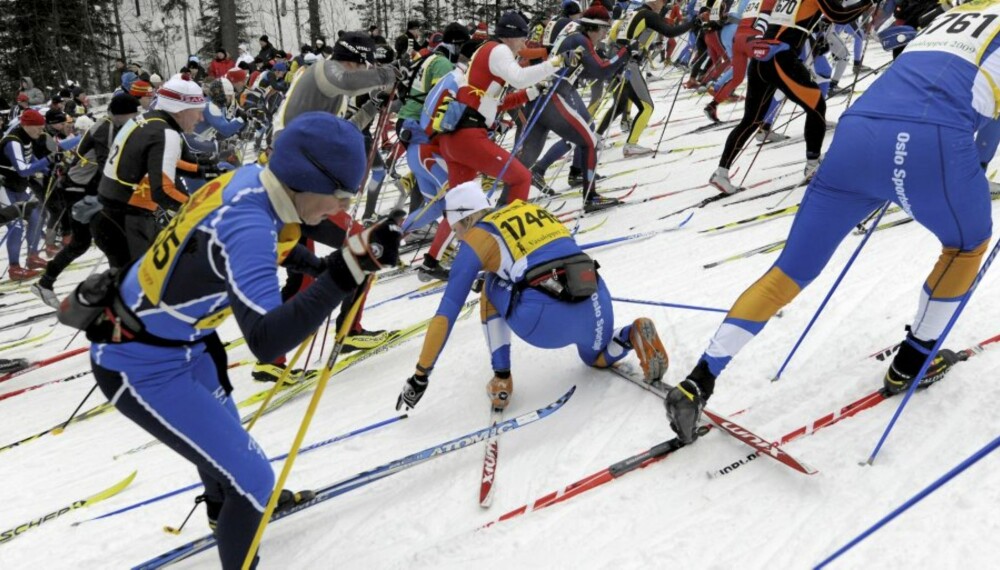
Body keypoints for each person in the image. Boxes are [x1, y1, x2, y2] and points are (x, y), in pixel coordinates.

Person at [70, 112, 401, 570]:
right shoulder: (246, 226)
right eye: (341, 195)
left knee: (225, 445)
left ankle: (223, 511)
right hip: (139, 364)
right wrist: (345, 273)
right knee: (253, 477)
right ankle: (243, 511)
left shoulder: (252, 183)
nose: (341, 208)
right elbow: (266, 341)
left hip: (182, 344)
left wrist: (322, 269)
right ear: (306, 178)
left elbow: (278, 247)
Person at [665, 0, 998, 444]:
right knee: (966, 245)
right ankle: (911, 364)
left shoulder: (964, 10)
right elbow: (988, 132)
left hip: (860, 130)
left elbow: (896, 41)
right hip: (934, 138)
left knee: (789, 270)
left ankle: (698, 380)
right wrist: (964, 173)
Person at [395, 181, 669, 412]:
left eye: (456, 230)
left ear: (466, 218)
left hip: (544, 320)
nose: (457, 240)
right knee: (595, 358)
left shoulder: (478, 237)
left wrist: (421, 375)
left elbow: (447, 311)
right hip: (595, 298)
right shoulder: (528, 208)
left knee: (490, 284)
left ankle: (502, 379)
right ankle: (630, 334)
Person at [708, 0, 873, 194]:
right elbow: (839, 15)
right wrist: (868, 3)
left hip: (761, 55)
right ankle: (812, 166)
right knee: (816, 106)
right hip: (780, 57)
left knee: (751, 120)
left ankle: (721, 172)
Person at [437, 12, 563, 211]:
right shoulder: (499, 49)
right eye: (523, 39)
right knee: (522, 178)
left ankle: (453, 241)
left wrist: (532, 92)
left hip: (455, 138)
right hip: (468, 135)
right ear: (511, 36)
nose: (523, 45)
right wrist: (556, 63)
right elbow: (519, 78)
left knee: (462, 209)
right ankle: (507, 232)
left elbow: (495, 103)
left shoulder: (488, 50)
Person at [30, 94, 142, 307]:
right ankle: (122, 294)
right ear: (121, 113)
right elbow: (106, 163)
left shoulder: (115, 125)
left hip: (86, 187)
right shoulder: (105, 128)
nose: (135, 118)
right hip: (80, 189)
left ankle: (45, 283)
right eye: (133, 114)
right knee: (110, 238)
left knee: (82, 243)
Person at [93, 74, 206, 270]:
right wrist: (201, 211)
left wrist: (202, 170)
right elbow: (162, 191)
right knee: (143, 290)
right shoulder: (165, 133)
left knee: (131, 288)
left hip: (111, 217)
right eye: (198, 111)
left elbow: (158, 163)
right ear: (180, 110)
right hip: (128, 221)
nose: (201, 118)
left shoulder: (148, 120)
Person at [523, 5, 630, 210]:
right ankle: (589, 196)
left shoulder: (579, 37)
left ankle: (573, 172)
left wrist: (616, 62)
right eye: (604, 30)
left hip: (554, 92)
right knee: (588, 139)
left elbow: (588, 69)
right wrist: (625, 53)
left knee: (586, 129)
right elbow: (601, 71)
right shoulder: (580, 39)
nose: (606, 34)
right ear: (594, 28)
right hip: (556, 94)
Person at [596, 0, 696, 157]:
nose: (663, 5)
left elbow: (613, 34)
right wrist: (693, 23)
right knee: (647, 106)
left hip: (615, 60)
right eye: (662, 2)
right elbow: (670, 32)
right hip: (629, 63)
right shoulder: (648, 14)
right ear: (654, 2)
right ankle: (631, 145)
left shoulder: (631, 13)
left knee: (621, 104)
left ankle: (595, 138)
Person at [0, 109, 50, 280]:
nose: (41, 131)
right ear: (27, 125)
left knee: (37, 216)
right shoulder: (12, 141)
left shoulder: (27, 137)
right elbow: (22, 170)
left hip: (19, 186)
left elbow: (30, 158)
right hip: (4, 187)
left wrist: (48, 168)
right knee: (16, 226)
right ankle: (14, 268)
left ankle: (32, 257)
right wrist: (48, 160)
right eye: (38, 128)